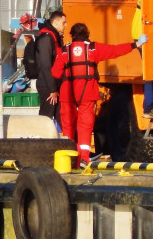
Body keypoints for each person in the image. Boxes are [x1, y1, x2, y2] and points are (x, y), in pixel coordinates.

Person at [51, 22, 146, 165]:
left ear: (72, 35)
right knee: (85, 125)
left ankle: (70, 158)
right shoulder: (93, 48)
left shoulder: (64, 51)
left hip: (68, 93)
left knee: (68, 125)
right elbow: (115, 50)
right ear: (87, 35)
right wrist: (135, 44)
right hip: (87, 92)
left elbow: (55, 73)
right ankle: (83, 158)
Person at [33, 10, 65, 122]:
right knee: (46, 117)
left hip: (53, 83)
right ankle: (40, 138)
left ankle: (60, 138)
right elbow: (46, 65)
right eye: (63, 22)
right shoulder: (46, 38)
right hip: (47, 84)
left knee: (59, 115)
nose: (65, 25)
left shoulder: (54, 37)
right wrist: (52, 89)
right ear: (55, 22)